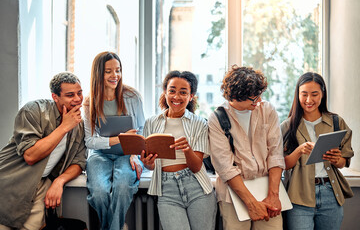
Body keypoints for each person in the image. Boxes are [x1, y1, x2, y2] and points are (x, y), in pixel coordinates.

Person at [0, 72, 86, 229]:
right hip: (11, 182)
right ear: (55, 97)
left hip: (40, 186)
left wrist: (60, 181)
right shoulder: (33, 110)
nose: (77, 99)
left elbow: (79, 162)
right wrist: (64, 127)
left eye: (79, 93)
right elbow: (30, 155)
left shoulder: (79, 124)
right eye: (70, 95)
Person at [208, 65, 285, 230]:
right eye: (253, 99)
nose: (258, 102)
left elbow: (276, 154)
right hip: (233, 194)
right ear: (235, 96)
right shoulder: (217, 119)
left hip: (267, 189)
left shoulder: (268, 110)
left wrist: (273, 195)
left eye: (259, 96)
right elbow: (225, 167)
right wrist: (251, 203)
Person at [141, 70, 217, 230]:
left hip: (197, 188)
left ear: (191, 96)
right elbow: (152, 165)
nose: (176, 97)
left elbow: (197, 167)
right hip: (167, 190)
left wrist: (188, 149)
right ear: (165, 92)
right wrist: (148, 164)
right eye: (172, 91)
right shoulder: (151, 123)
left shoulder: (200, 123)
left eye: (183, 92)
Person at [281, 72, 354, 230]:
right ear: (297, 95)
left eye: (314, 94)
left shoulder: (336, 122)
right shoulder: (287, 126)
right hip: (298, 195)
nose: (309, 100)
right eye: (304, 94)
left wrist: (337, 159)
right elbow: (282, 165)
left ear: (323, 94)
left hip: (330, 193)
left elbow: (343, 162)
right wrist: (299, 151)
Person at [83, 51, 145, 230]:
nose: (115, 75)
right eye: (108, 71)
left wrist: (134, 153)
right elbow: (90, 141)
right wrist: (118, 139)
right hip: (99, 155)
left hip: (127, 154)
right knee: (99, 193)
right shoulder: (89, 103)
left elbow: (141, 129)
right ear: (98, 74)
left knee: (123, 187)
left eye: (118, 70)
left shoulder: (132, 96)